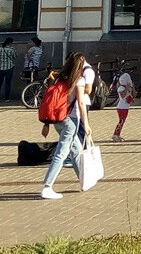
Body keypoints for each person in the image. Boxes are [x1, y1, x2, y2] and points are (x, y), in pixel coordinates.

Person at [39, 51, 93, 199]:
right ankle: (47, 186)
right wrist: (86, 125)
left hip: (57, 120)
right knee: (61, 154)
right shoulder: (79, 80)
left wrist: (47, 124)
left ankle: (84, 181)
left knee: (75, 150)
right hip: (71, 121)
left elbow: (51, 101)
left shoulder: (58, 78)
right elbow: (81, 103)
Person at [112, 68, 135, 141]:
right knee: (121, 121)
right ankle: (116, 134)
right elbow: (123, 95)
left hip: (125, 107)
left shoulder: (128, 88)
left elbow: (134, 94)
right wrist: (127, 89)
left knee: (123, 121)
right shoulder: (121, 88)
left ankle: (118, 134)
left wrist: (132, 87)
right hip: (121, 108)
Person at [0, 38, 16, 102]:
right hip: (9, 68)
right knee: (7, 83)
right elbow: (15, 56)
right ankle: (7, 98)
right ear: (10, 42)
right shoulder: (11, 49)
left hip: (0, 68)